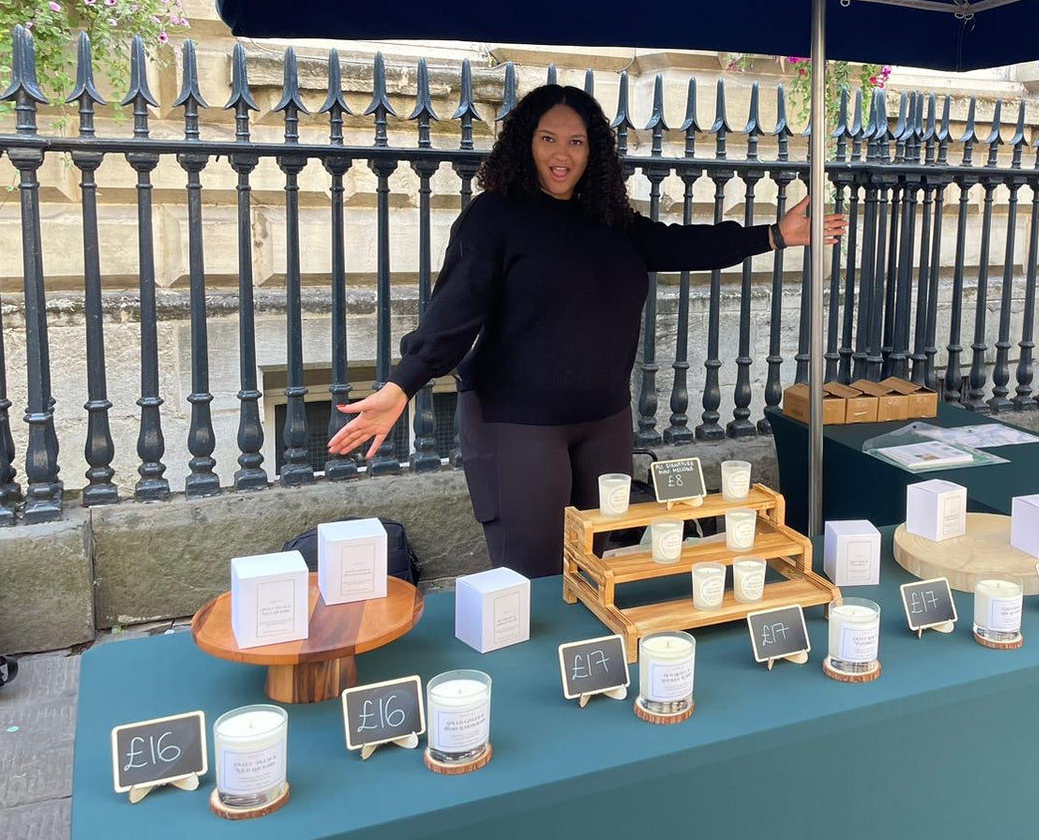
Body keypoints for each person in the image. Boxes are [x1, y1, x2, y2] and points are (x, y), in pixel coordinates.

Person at [327, 83, 846, 577]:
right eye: (548, 138)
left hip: (605, 421)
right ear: (524, 144)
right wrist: (402, 385)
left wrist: (775, 235)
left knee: (605, 562)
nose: (562, 154)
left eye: (576, 142)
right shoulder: (495, 218)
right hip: (519, 425)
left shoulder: (610, 219)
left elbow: (680, 245)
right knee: (536, 572)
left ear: (592, 150)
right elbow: (455, 312)